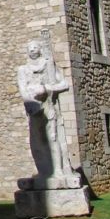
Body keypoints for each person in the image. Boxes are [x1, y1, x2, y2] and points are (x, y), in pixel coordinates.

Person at [17, 39, 77, 185]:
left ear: (40, 49)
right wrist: (30, 103)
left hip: (49, 105)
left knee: (53, 137)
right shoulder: (23, 70)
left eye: (35, 47)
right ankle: (44, 171)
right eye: (30, 48)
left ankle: (58, 170)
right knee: (36, 141)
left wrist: (47, 88)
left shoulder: (49, 65)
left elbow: (64, 84)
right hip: (33, 108)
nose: (32, 50)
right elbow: (22, 88)